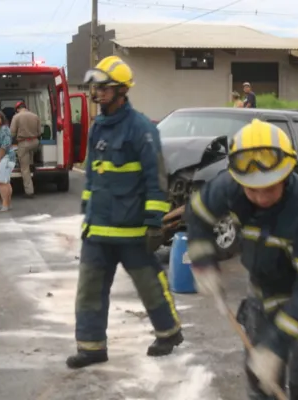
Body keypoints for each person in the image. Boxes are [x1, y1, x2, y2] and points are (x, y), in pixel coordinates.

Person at [183, 119, 298, 399]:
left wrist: (276, 345)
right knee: (260, 376)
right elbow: (198, 215)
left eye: (270, 187)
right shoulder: (231, 185)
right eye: (252, 188)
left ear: (286, 175)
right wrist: (204, 263)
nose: (260, 196)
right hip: (266, 286)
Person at [67, 55, 183, 369]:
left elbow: (156, 180)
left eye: (104, 88)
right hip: (99, 231)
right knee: (89, 289)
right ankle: (91, 348)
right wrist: (87, 214)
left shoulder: (142, 129)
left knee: (149, 284)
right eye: (96, 88)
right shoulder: (98, 127)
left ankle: (169, 332)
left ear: (121, 91)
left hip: (133, 232)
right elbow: (92, 175)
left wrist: (153, 223)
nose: (98, 93)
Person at [9, 101, 41, 198]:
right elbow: (39, 132)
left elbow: (12, 133)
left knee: (24, 168)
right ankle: (32, 164)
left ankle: (29, 191)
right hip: (35, 142)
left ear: (17, 109)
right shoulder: (35, 116)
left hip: (24, 143)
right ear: (25, 107)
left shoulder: (16, 117)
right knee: (30, 156)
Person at [0, 111, 17, 212]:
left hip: (5, 158)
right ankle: (7, 203)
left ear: (2, 119)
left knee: (2, 182)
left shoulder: (4, 130)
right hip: (4, 158)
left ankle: (5, 205)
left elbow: (5, 145)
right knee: (6, 181)